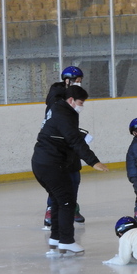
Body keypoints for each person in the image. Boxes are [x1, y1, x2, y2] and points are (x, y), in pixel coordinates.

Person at [32, 85, 109, 256]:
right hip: (51, 164)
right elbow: (74, 140)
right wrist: (93, 161)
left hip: (42, 162)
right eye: (81, 102)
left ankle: (55, 239)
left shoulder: (58, 107)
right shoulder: (64, 113)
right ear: (71, 100)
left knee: (58, 200)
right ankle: (66, 241)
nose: (82, 106)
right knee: (67, 201)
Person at [43, 65, 87, 227]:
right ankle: (51, 208)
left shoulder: (72, 96)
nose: (79, 84)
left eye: (80, 81)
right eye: (76, 81)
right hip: (57, 144)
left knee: (75, 176)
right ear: (67, 81)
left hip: (69, 142)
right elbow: (57, 123)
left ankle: (71, 206)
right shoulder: (57, 98)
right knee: (59, 178)